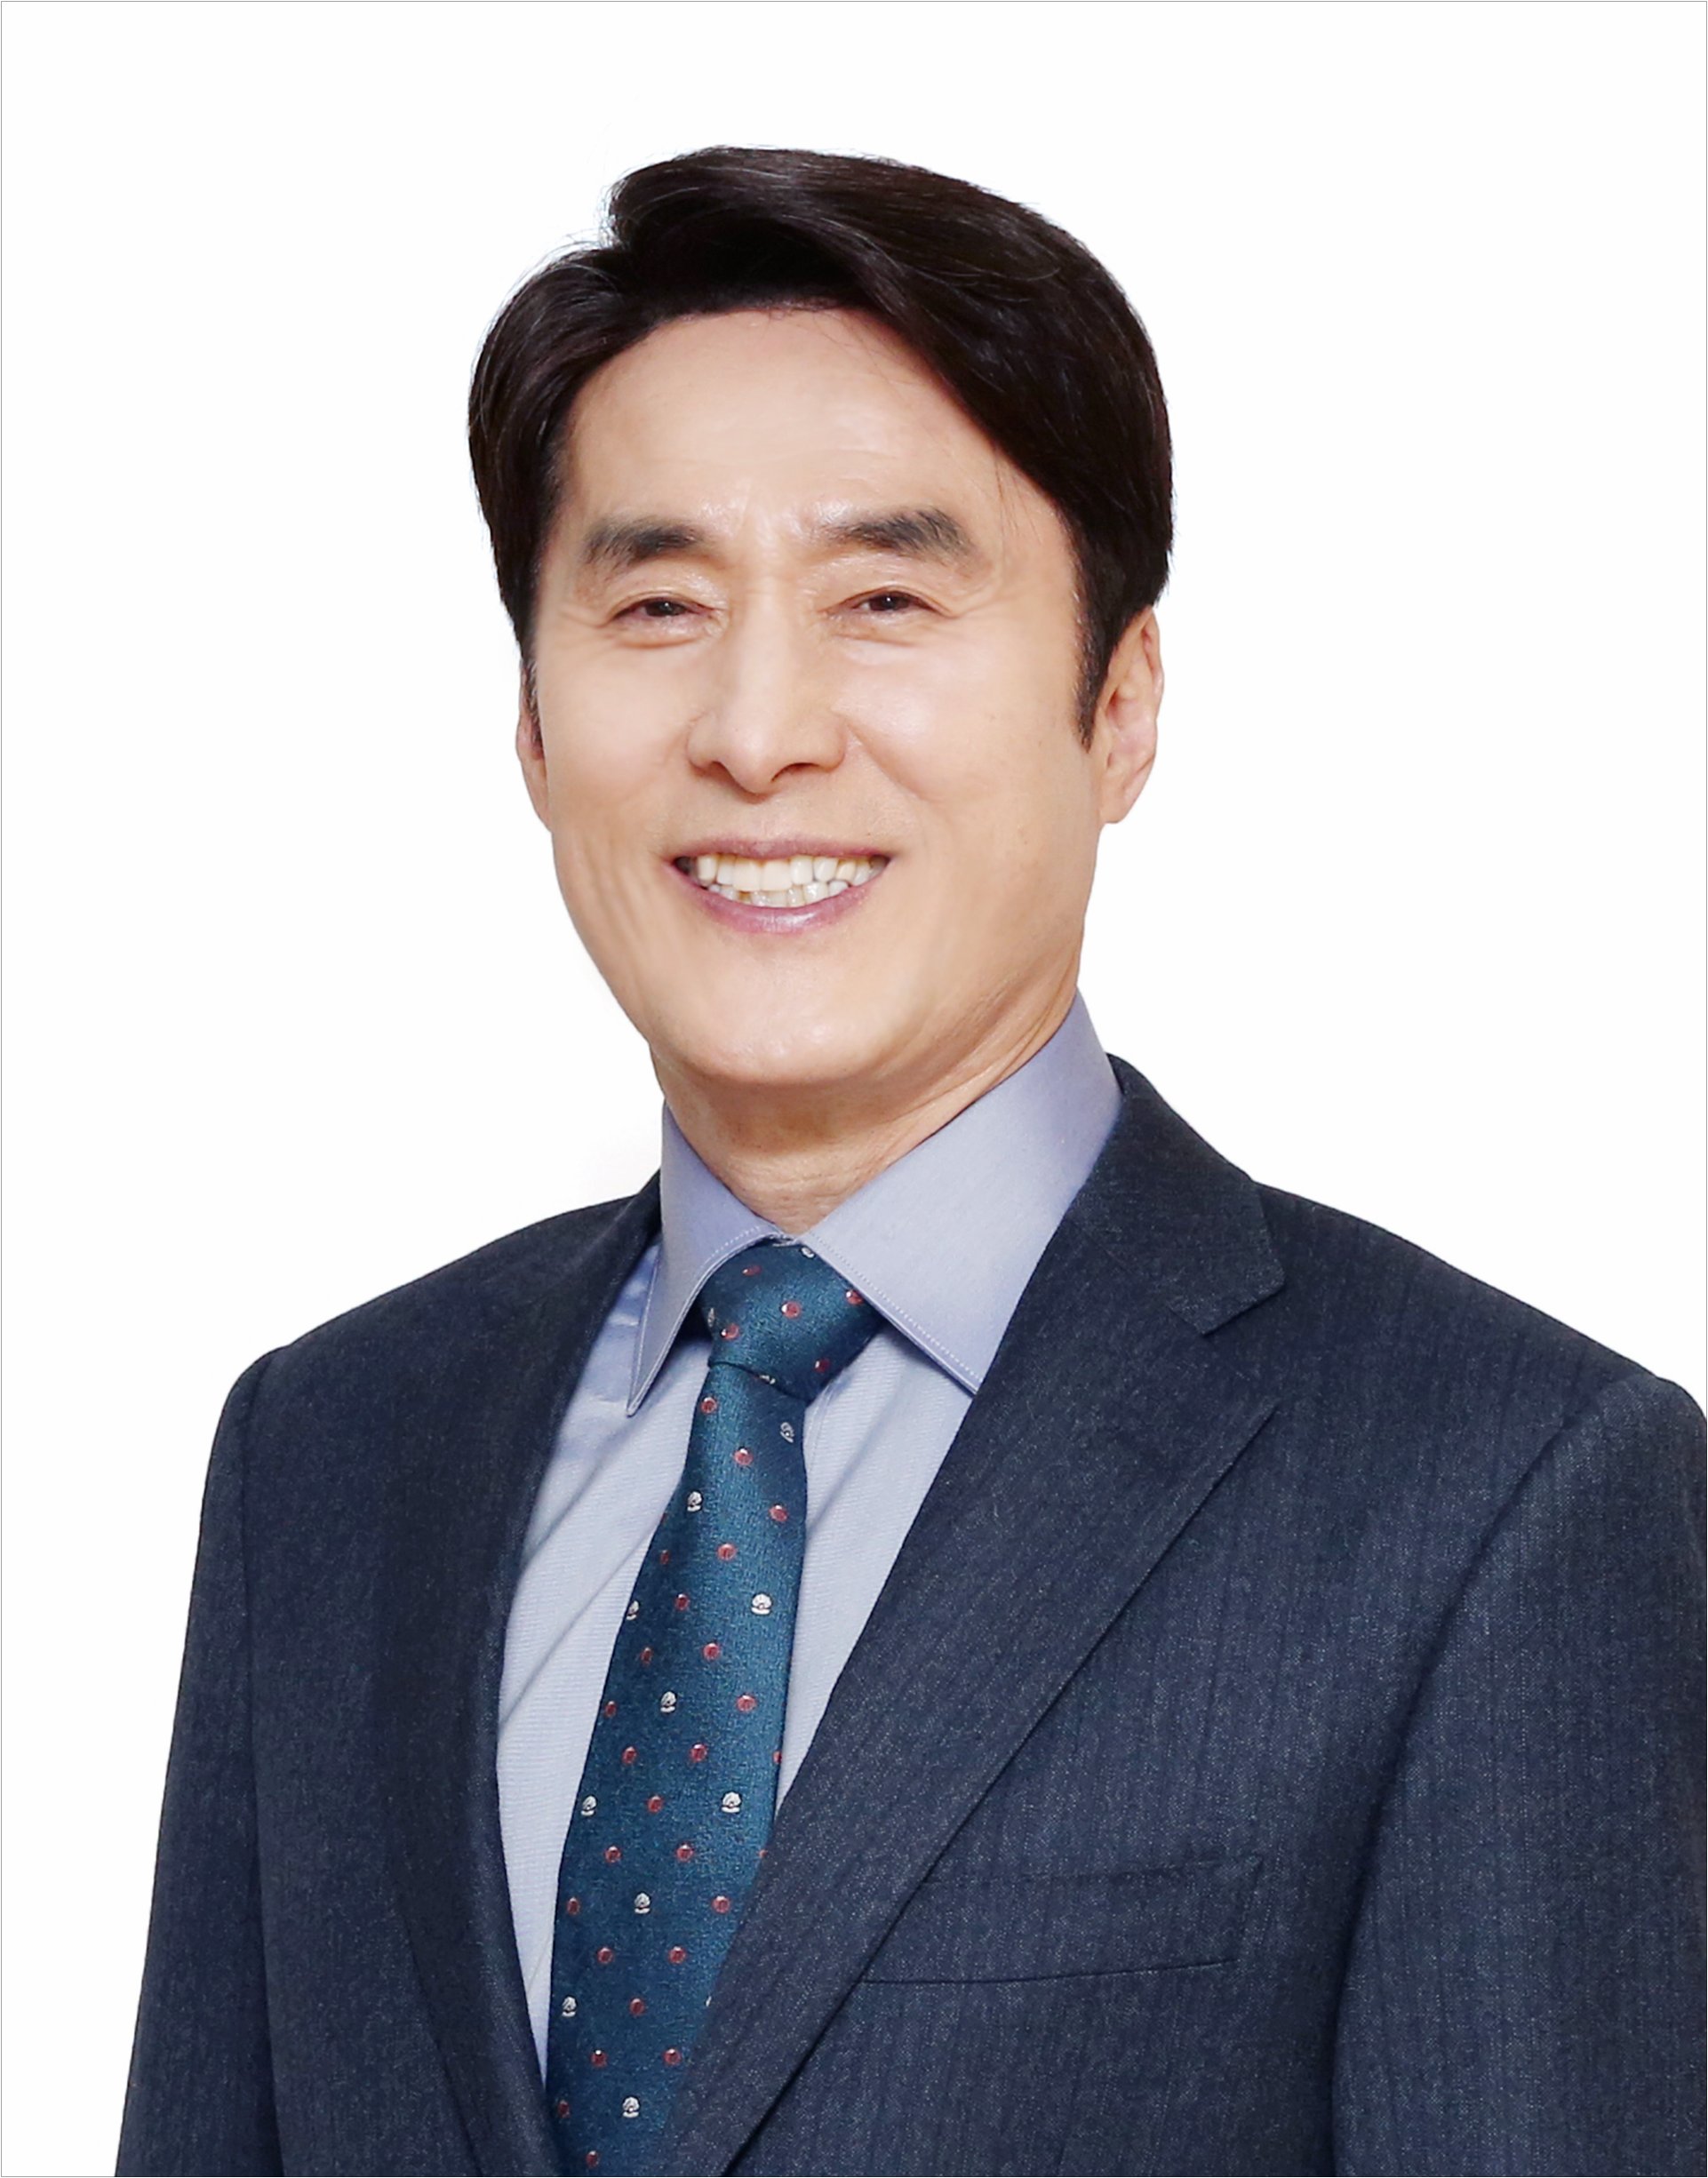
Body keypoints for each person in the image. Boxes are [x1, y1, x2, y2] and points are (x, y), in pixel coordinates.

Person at [116, 146, 1703, 2178]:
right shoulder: (329, 1448)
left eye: (883, 598)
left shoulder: (1496, 1488)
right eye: (659, 603)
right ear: (531, 723)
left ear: (1117, 705)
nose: (759, 726)